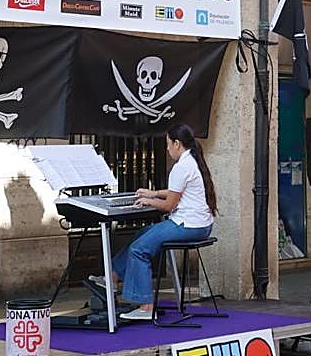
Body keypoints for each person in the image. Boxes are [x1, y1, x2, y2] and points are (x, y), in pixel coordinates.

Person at [86, 124, 217, 322]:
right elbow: (176, 192)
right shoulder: (192, 160)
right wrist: (154, 193)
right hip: (200, 225)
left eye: (167, 144)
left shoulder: (181, 167)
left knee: (139, 250)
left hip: (187, 225)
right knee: (143, 233)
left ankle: (146, 306)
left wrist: (149, 201)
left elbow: (169, 205)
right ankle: (112, 277)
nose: (166, 149)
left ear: (177, 143)